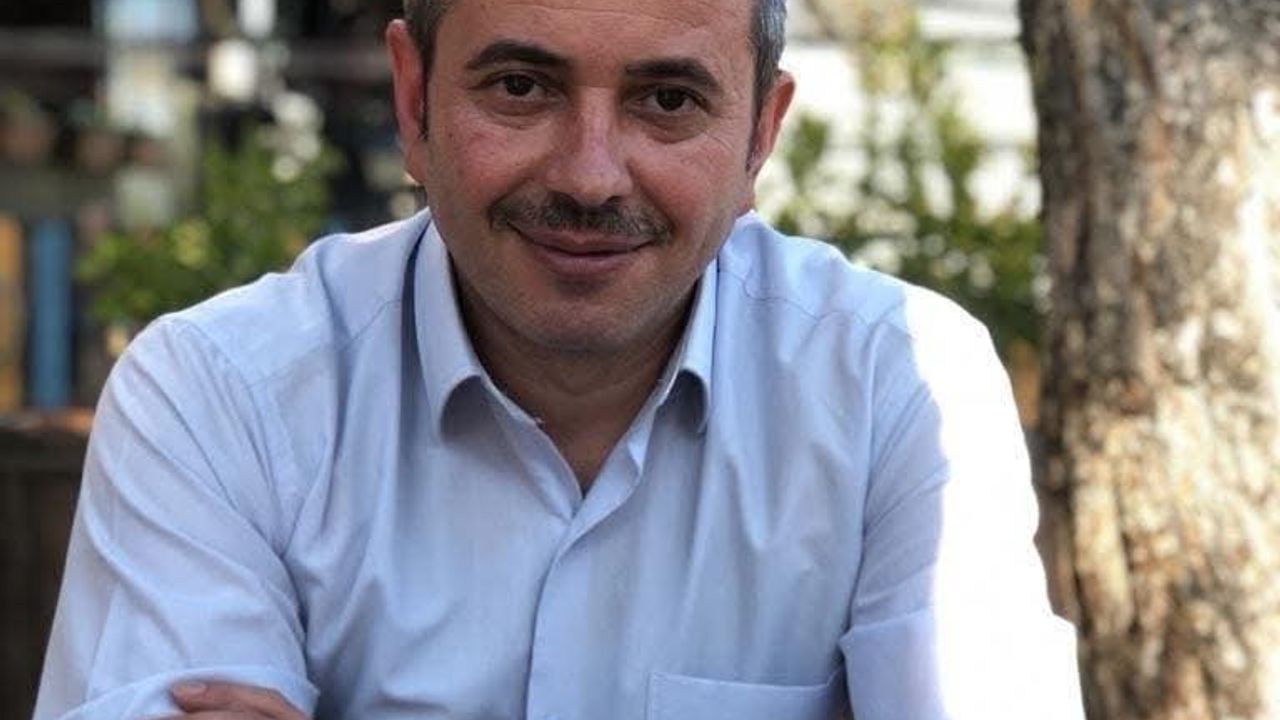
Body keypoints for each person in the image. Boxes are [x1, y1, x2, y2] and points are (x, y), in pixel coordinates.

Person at [35, 0, 1084, 717]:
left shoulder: (900, 383)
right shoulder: (219, 394)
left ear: (760, 136)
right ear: (413, 102)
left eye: (666, 101)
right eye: (521, 87)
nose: (590, 176)